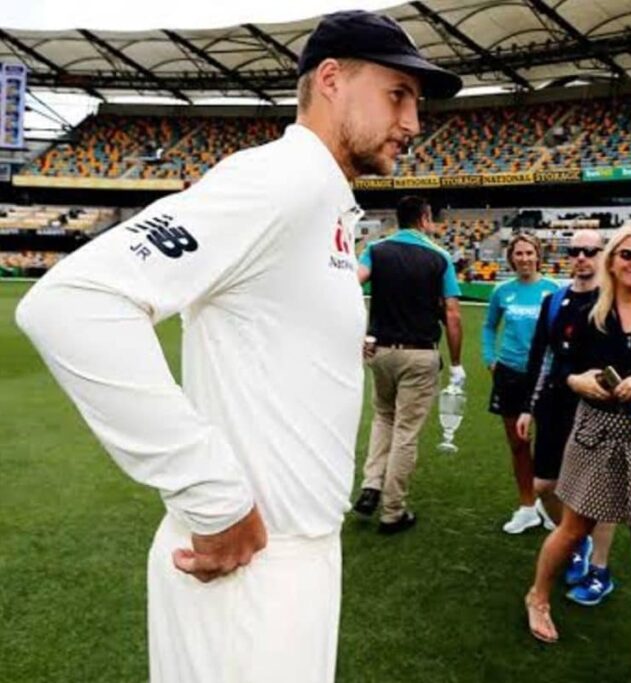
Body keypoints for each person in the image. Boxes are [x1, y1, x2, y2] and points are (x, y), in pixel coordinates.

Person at [15, 11, 461, 683]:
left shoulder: (321, 201)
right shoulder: (282, 179)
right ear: (332, 80)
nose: (412, 123)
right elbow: (71, 302)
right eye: (398, 95)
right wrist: (213, 493)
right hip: (250, 564)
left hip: (292, 555)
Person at [524, 225, 631, 683]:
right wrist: (577, 381)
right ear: (613, 260)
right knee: (572, 527)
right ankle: (537, 596)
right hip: (595, 429)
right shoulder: (590, 315)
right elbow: (564, 367)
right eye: (628, 255)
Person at [515, 229, 619, 605]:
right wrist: (529, 405)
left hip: (602, 409)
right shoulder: (555, 300)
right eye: (574, 250)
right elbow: (540, 356)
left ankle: (599, 570)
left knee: (601, 494)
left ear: (603, 255)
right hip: (556, 403)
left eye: (590, 251)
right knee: (544, 485)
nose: (581, 257)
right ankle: (578, 537)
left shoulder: (615, 300)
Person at [353, 196, 464, 533]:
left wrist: (360, 333)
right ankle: (393, 509)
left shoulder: (376, 249)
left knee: (383, 418)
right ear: (425, 218)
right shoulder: (440, 257)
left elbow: (349, 285)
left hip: (380, 351)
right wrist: (457, 362)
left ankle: (371, 484)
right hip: (419, 352)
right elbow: (453, 313)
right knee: (406, 431)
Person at [483, 233, 560, 533]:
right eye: (519, 253)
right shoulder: (502, 291)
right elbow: (489, 327)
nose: (525, 258)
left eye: (529, 253)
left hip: (546, 376)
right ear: (511, 257)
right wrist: (491, 358)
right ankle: (527, 507)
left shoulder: (554, 290)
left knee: (551, 445)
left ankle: (551, 503)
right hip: (510, 374)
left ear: (538, 255)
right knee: (518, 444)